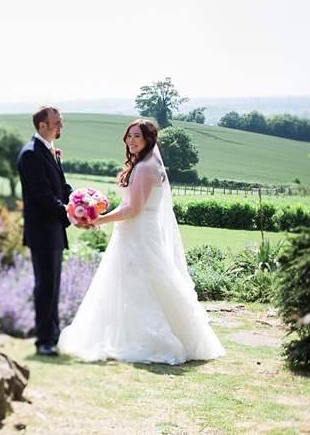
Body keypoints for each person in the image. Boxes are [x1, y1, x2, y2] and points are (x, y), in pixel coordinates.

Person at [57, 119, 226, 365]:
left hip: (140, 233)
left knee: (141, 282)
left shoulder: (146, 167)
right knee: (131, 282)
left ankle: (153, 341)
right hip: (131, 232)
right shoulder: (143, 164)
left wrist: (101, 219)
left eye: (137, 136)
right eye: (129, 136)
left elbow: (134, 209)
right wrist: (96, 215)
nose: (131, 141)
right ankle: (125, 335)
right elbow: (128, 205)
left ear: (148, 140)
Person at [17, 105, 85, 357]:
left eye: (61, 121)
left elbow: (62, 188)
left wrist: (81, 204)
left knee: (53, 284)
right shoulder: (31, 154)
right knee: (46, 285)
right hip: (42, 230)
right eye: (56, 122)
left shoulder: (50, 152)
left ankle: (52, 334)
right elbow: (43, 194)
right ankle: (43, 340)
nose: (61, 126)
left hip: (54, 230)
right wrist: (69, 214)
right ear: (42, 125)